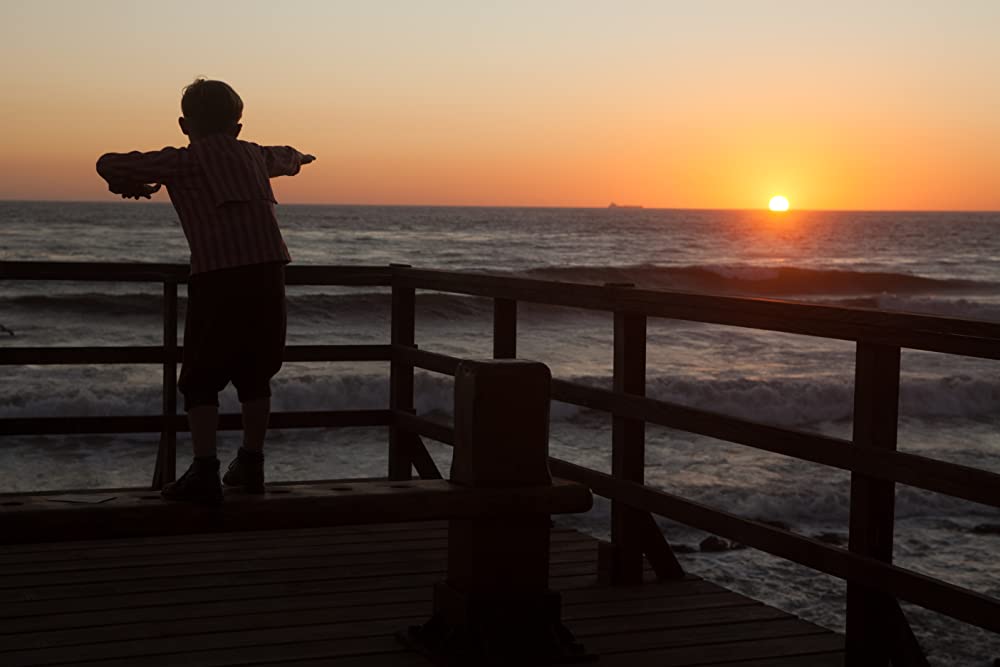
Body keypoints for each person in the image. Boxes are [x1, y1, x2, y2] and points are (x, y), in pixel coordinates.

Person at [96, 78, 315, 504]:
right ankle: (252, 462)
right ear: (237, 125)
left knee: (200, 376)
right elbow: (289, 156)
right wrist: (301, 158)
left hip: (217, 276)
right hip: (270, 271)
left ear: (184, 124)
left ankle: (204, 469)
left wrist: (123, 183)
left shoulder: (182, 161)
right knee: (256, 372)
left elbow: (108, 162)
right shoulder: (255, 154)